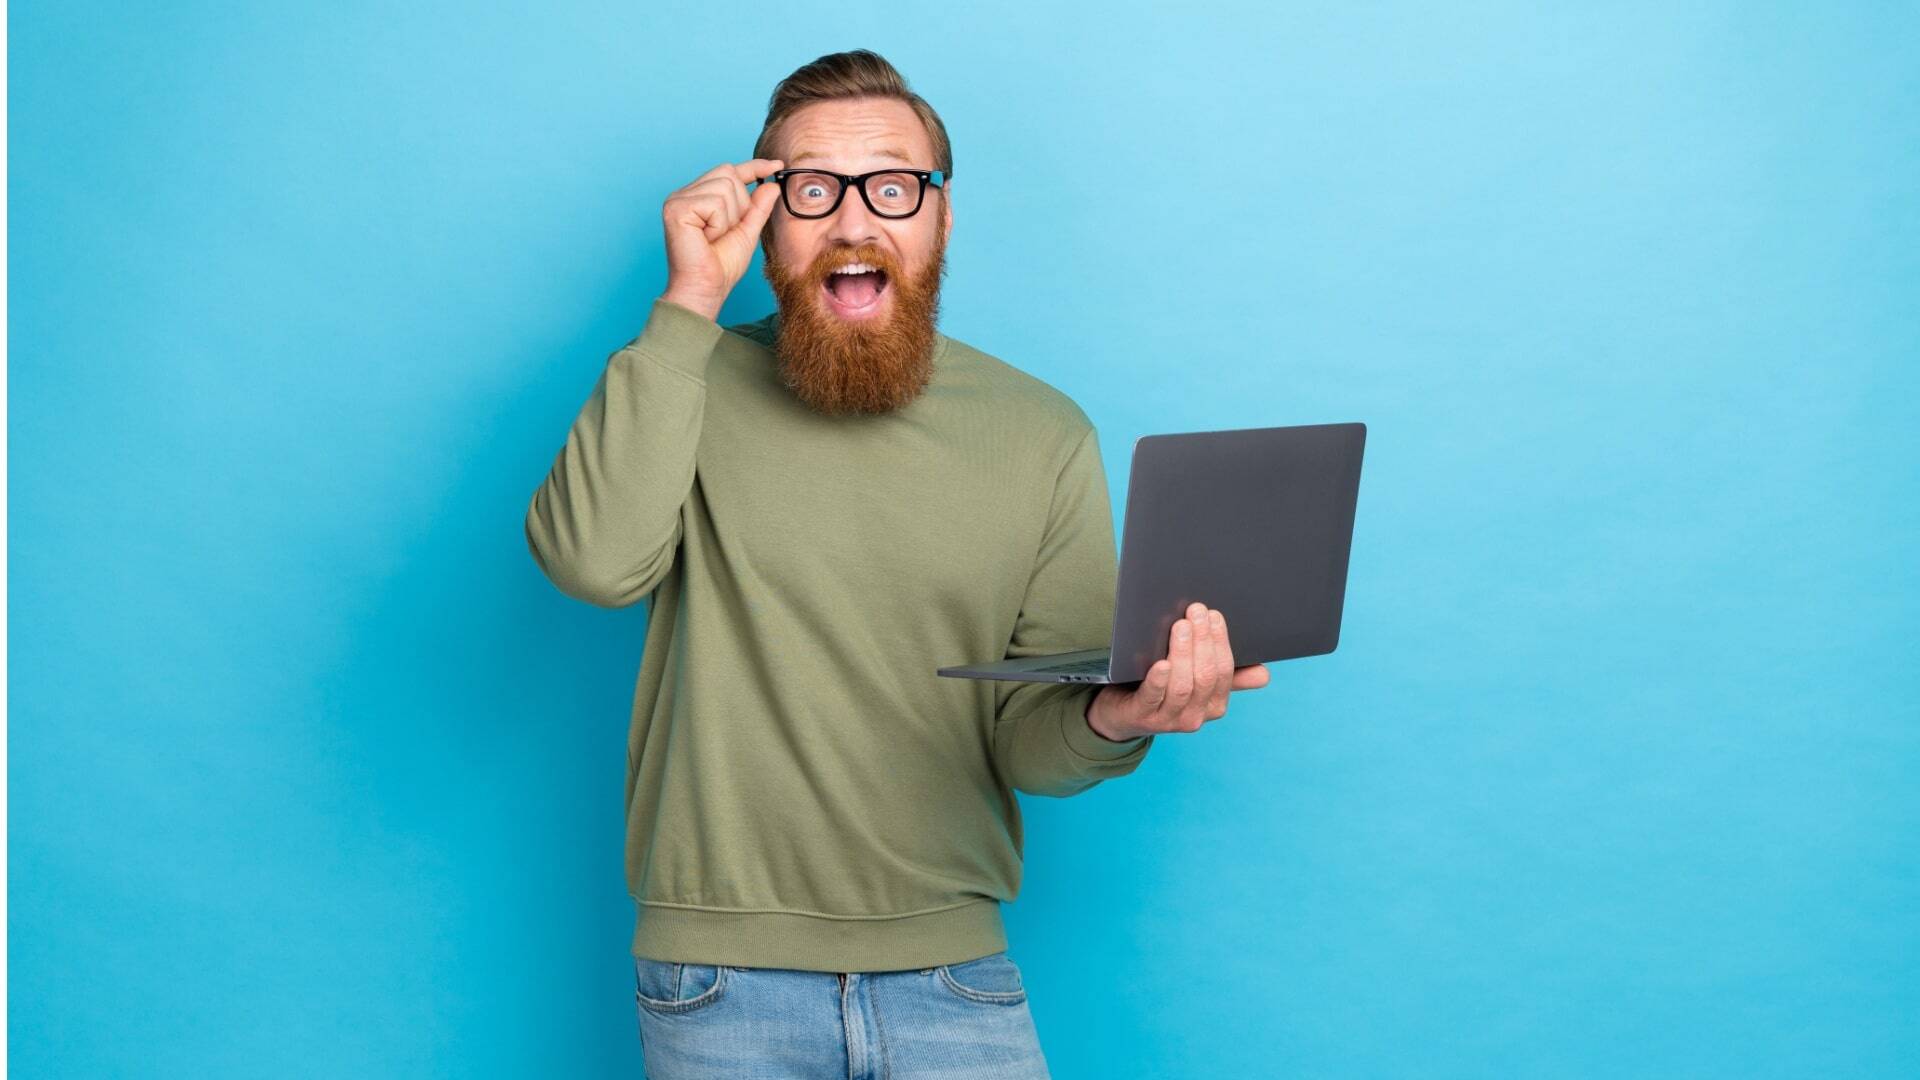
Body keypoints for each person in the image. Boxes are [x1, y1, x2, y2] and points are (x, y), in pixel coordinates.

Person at [524, 48, 1271, 1078]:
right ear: (767, 220)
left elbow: (1030, 744)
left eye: (893, 187)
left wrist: (1122, 715)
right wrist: (687, 304)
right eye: (813, 189)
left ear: (942, 219)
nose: (854, 221)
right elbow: (590, 564)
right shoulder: (683, 382)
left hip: (954, 979)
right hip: (718, 983)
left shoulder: (1040, 431)